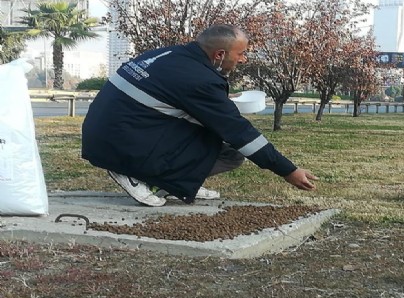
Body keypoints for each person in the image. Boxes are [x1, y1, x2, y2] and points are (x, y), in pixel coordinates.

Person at [81, 24, 317, 207]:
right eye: (242, 53)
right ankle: (135, 175)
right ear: (219, 54)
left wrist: (221, 103)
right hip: (120, 143)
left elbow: (169, 95)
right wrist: (288, 170)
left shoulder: (172, 54)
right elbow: (240, 133)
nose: (243, 59)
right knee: (233, 152)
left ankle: (173, 183)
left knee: (218, 142)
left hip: (108, 131)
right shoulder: (200, 80)